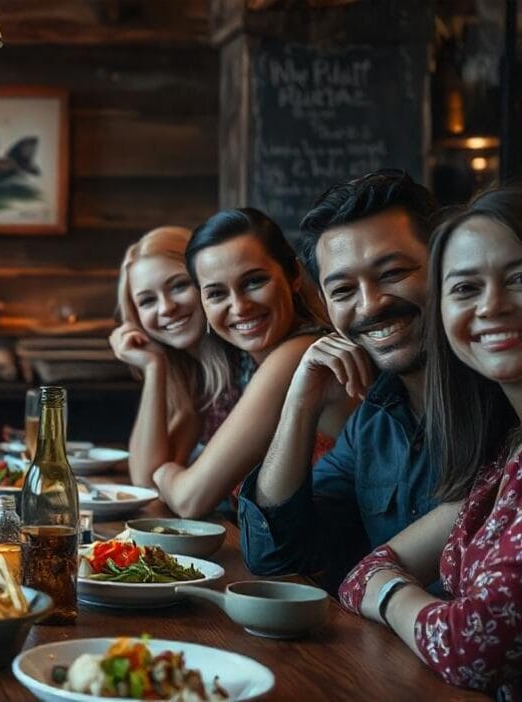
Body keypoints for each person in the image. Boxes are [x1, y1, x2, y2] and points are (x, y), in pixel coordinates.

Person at [338, 186, 522, 697]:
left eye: (518, 278)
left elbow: (469, 647)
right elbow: (361, 573)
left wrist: (395, 596)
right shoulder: (506, 455)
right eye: (465, 288)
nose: (492, 306)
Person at [240, 170, 441, 585]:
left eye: (392, 273)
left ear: (444, 265)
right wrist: (301, 400)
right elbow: (275, 553)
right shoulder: (373, 420)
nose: (370, 305)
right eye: (344, 290)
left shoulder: (502, 411)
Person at [149, 208, 353, 518]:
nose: (240, 307)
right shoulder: (247, 364)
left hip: (348, 559)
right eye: (217, 293)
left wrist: (162, 473)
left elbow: (190, 500)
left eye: (254, 281)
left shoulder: (301, 352)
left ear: (294, 276)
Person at [109, 226, 234, 487]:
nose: (166, 308)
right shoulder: (198, 378)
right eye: (147, 301)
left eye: (179, 286)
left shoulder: (244, 363)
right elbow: (146, 480)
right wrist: (154, 366)